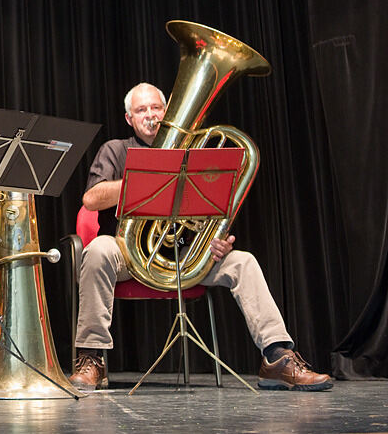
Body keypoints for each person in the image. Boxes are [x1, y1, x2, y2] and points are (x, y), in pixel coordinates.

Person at [68, 82, 333, 392]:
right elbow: (91, 200)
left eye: (156, 108)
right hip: (131, 255)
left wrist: (216, 239)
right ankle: (92, 359)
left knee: (242, 262)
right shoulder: (115, 149)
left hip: (188, 254)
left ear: (167, 112)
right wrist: (143, 182)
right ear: (130, 119)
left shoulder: (193, 153)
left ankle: (276, 358)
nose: (151, 116)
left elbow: (212, 210)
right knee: (99, 248)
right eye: (141, 110)